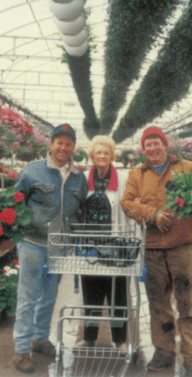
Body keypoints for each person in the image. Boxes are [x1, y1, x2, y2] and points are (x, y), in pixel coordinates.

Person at [120, 126, 192, 377]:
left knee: (188, 304)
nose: (153, 148)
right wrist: (151, 214)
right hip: (153, 247)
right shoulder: (138, 173)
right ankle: (164, 352)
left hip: (183, 244)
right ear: (143, 149)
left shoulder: (187, 168)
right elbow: (126, 202)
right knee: (158, 303)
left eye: (157, 143)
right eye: (148, 144)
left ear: (165, 145)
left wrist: (176, 211)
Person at [12, 123, 87, 374]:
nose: (63, 147)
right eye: (59, 142)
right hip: (33, 244)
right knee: (28, 297)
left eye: (68, 143)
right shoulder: (32, 171)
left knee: (49, 296)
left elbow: (79, 211)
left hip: (59, 248)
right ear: (51, 144)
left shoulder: (79, 177)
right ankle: (22, 349)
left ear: (73, 147)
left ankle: (40, 339)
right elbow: (15, 202)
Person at [76, 135, 131, 352]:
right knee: (91, 293)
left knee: (118, 292)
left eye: (106, 153)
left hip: (116, 243)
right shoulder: (82, 178)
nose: (102, 156)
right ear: (92, 155)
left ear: (112, 156)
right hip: (90, 243)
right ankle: (89, 338)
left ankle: (120, 340)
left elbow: (129, 204)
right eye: (98, 152)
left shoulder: (123, 178)